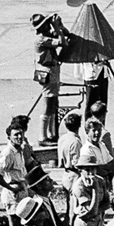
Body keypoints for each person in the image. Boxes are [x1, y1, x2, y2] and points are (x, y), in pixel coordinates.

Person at [31, 12, 69, 147]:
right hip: (48, 73)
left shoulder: (47, 36)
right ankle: (43, 136)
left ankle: (51, 134)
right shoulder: (42, 39)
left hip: (53, 72)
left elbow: (67, 35)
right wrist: (57, 28)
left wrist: (60, 26)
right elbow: (63, 42)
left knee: (53, 104)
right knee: (48, 105)